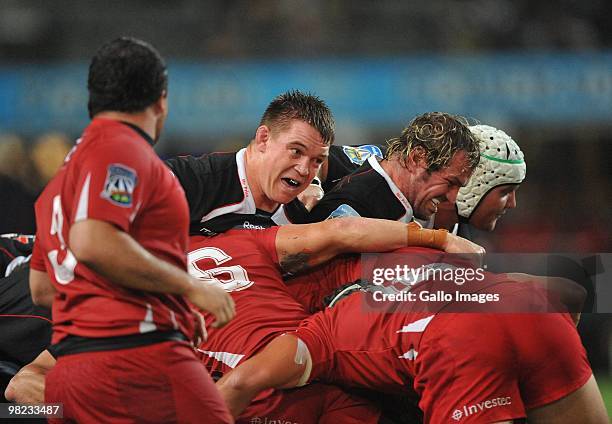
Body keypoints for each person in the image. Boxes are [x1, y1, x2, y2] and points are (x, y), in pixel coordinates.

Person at [29, 37, 234, 423]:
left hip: (70, 374)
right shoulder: (120, 148)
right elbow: (93, 240)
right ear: (161, 100)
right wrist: (189, 288)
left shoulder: (58, 183)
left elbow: (42, 288)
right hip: (138, 361)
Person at [211, 241, 606, 423]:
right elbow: (571, 292)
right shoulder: (413, 267)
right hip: (532, 309)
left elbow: (241, 383)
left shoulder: (322, 330)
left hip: (460, 341)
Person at [165, 89, 334, 235]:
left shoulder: (307, 212)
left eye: (317, 160)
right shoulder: (195, 180)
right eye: (296, 151)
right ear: (263, 139)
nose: (304, 170)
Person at [308, 112, 480, 227]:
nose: (453, 198)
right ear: (417, 158)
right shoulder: (358, 209)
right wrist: (312, 184)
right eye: (450, 183)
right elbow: (317, 154)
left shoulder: (385, 158)